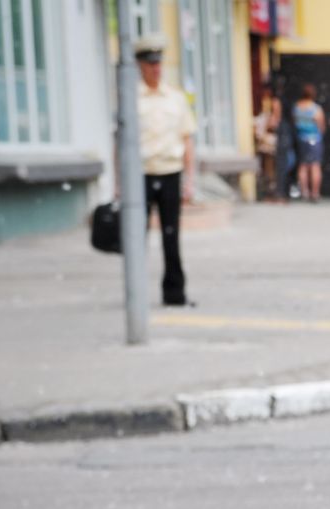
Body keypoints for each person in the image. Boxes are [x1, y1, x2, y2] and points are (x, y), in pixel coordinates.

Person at [132, 35, 196, 306]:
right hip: (141, 175)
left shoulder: (176, 98)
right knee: (137, 238)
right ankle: (136, 294)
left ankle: (175, 293)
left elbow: (187, 139)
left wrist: (189, 181)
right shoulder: (131, 99)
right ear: (140, 66)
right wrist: (120, 184)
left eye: (158, 63)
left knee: (172, 237)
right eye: (150, 64)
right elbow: (120, 143)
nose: (156, 69)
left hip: (170, 173)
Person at [292, 82, 326, 202]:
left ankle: (304, 192)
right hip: (314, 138)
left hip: (301, 138)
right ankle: (315, 193)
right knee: (315, 166)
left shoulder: (297, 107)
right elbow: (321, 125)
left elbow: (295, 122)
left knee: (303, 166)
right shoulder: (315, 108)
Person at [253, 93, 281, 201]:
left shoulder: (276, 118)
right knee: (269, 172)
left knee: (273, 171)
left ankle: (273, 191)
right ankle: (269, 193)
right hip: (268, 149)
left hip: (274, 148)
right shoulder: (265, 117)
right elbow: (259, 133)